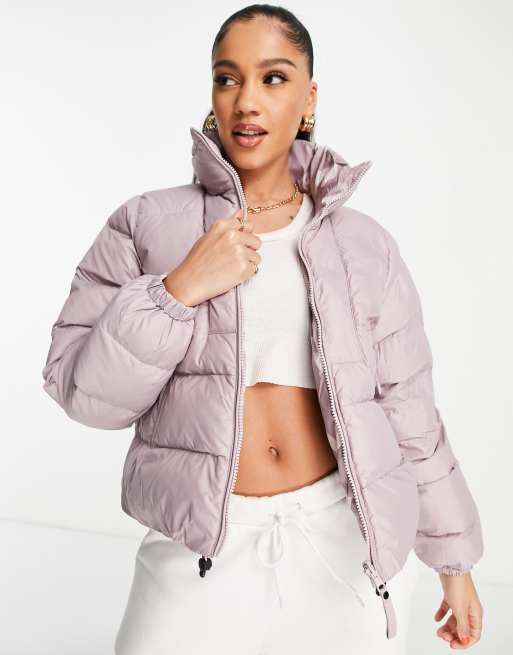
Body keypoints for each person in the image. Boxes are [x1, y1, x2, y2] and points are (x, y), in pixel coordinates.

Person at [41, 4, 484, 654]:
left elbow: (410, 415)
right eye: (228, 78)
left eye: (273, 78)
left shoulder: (364, 246)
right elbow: (84, 395)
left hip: (341, 542)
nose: (246, 100)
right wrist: (177, 290)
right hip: (200, 547)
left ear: (309, 99)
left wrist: (455, 562)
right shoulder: (144, 225)